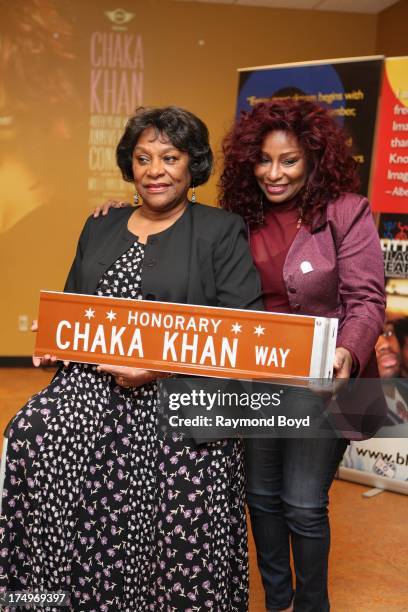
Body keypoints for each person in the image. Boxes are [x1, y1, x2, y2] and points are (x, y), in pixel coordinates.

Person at [0, 106, 263, 611]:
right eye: (143, 158)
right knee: (29, 434)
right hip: (91, 387)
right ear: (129, 165)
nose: (155, 169)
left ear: (193, 166)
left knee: (184, 465)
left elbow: (241, 333)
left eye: (170, 157)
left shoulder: (220, 230)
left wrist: (159, 368)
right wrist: (54, 339)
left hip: (179, 391)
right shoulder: (102, 224)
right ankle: (48, 596)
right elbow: (76, 306)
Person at [219, 99, 386, 612]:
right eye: (264, 160)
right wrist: (121, 209)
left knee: (302, 502)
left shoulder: (345, 211)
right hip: (256, 380)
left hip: (324, 380)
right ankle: (279, 602)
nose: (274, 173)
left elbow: (365, 299)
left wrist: (347, 350)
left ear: (313, 159)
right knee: (261, 499)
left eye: (288, 160)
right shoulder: (236, 215)